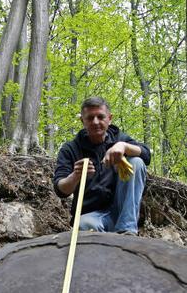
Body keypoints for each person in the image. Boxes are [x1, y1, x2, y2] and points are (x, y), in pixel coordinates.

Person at [52, 96, 151, 235]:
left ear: (109, 118)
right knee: (84, 225)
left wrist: (123, 146)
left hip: (122, 211)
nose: (96, 122)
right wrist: (75, 176)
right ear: (82, 121)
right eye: (90, 118)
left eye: (100, 116)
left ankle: (127, 231)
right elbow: (60, 189)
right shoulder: (70, 149)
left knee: (136, 162)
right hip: (91, 216)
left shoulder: (119, 138)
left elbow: (146, 155)